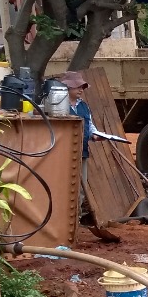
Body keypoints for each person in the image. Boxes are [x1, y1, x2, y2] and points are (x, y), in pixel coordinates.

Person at [58, 71, 103, 207]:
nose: (81, 90)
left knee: (81, 188)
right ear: (68, 87)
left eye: (82, 87)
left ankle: (76, 219)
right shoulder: (57, 104)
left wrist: (95, 135)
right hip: (62, 154)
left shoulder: (83, 105)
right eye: (78, 87)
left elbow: (90, 125)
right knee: (63, 185)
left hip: (81, 152)